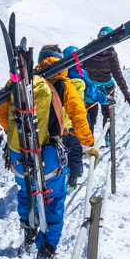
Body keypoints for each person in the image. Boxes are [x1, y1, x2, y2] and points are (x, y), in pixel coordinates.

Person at [0, 57, 74, 259]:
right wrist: (89, 144)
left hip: (18, 156)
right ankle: (48, 244)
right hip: (48, 156)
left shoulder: (17, 83)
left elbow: (1, 114)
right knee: (55, 198)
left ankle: (29, 228)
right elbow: (76, 115)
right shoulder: (63, 85)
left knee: (25, 191)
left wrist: (17, 137)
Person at [39, 45, 95, 185]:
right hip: (76, 127)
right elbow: (81, 110)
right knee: (76, 152)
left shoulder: (43, 79)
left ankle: (61, 175)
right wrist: (89, 145)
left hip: (59, 126)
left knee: (63, 152)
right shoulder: (78, 78)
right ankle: (73, 178)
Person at [79, 28, 130, 130]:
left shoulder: (88, 50)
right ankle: (109, 138)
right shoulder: (111, 54)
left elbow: (81, 69)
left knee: (90, 114)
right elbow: (117, 74)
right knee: (108, 113)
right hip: (107, 88)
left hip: (91, 89)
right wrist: (126, 93)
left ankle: (88, 141)